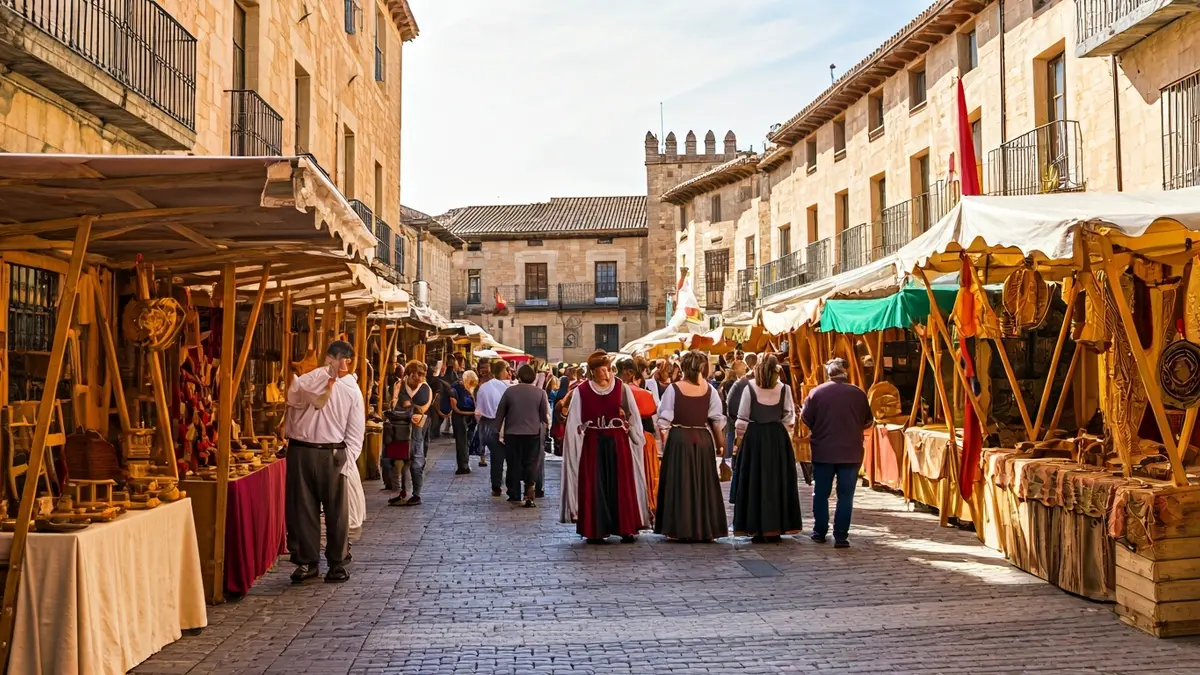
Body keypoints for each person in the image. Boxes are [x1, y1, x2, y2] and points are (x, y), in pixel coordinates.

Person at [285, 340, 364, 584]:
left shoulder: (351, 389)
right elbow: (296, 397)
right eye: (341, 359)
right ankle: (308, 562)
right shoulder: (308, 381)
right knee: (302, 510)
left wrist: (346, 460)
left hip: (332, 453)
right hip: (301, 450)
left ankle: (336, 563)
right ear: (332, 358)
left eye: (346, 360)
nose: (343, 364)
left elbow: (355, 431)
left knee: (336, 511)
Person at [560, 350, 649, 543]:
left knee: (622, 484)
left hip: (617, 441)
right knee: (595, 484)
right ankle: (596, 529)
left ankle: (626, 528)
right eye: (602, 370)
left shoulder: (621, 387)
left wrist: (635, 435)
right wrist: (575, 445)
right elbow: (574, 421)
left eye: (609, 369)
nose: (607, 374)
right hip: (592, 443)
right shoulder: (581, 391)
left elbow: (632, 413)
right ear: (592, 371)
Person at [654, 350, 727, 542]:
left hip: (679, 439)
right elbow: (716, 420)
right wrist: (721, 445)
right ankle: (704, 527)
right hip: (702, 440)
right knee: (703, 484)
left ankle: (680, 527)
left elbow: (664, 420)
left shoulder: (674, 388)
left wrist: (663, 443)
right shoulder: (710, 390)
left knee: (680, 483)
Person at [802, 358, 873, 548]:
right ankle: (841, 536)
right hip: (851, 452)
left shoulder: (816, 393)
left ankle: (819, 532)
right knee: (846, 496)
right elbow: (868, 422)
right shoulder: (858, 394)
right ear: (845, 373)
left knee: (821, 494)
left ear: (828, 374)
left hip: (823, 451)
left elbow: (806, 419)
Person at [732, 354, 802, 542]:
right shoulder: (784, 389)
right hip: (777, 439)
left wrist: (739, 441)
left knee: (755, 480)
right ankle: (776, 527)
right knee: (776, 480)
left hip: (754, 437)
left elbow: (742, 418)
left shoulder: (750, 388)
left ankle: (756, 528)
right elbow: (789, 416)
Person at [495, 364, 550, 507]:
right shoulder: (540, 393)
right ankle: (529, 492)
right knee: (531, 462)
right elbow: (544, 416)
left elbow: (500, 412)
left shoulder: (510, 392)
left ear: (518, 377)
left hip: (512, 433)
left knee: (513, 462)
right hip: (532, 432)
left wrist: (497, 430)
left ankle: (514, 493)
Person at [617, 357, 660, 518]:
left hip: (622, 437)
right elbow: (653, 415)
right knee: (646, 474)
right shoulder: (644, 394)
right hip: (644, 438)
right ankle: (647, 507)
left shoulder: (616, 392)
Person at [388, 361, 433, 507]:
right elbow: (397, 404)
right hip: (401, 428)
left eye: (421, 375)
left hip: (417, 429)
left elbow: (420, 407)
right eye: (416, 375)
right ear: (409, 374)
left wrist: (410, 406)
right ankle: (404, 493)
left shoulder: (424, 388)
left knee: (416, 460)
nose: (419, 378)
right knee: (401, 460)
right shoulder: (400, 385)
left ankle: (416, 494)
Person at [475, 359, 512, 495]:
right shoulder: (509, 387)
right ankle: (510, 486)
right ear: (502, 371)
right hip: (506, 424)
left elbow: (478, 411)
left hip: (489, 425)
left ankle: (496, 486)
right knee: (511, 458)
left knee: (496, 458)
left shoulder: (483, 387)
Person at [723, 358, 750, 503]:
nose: (745, 367)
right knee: (738, 457)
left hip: (739, 424)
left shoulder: (740, 383)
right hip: (739, 425)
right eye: (742, 365)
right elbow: (731, 407)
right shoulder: (736, 384)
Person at [450, 369, 478, 474]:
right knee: (461, 442)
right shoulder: (455, 388)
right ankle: (463, 466)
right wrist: (471, 413)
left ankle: (465, 463)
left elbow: (475, 402)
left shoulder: (470, 389)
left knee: (468, 441)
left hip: (470, 418)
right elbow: (455, 407)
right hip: (460, 417)